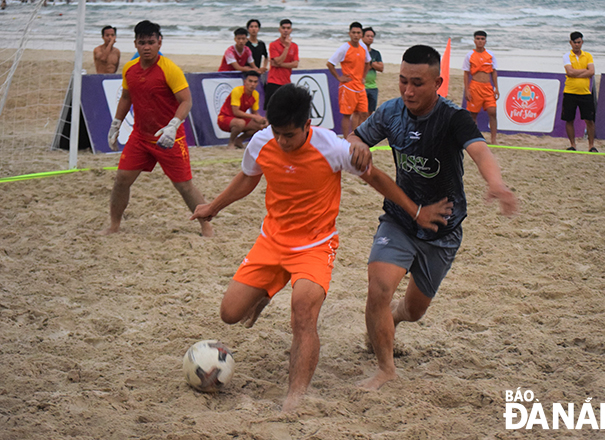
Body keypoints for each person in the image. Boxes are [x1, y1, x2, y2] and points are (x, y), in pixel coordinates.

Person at [190, 84, 452, 412]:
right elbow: (248, 177)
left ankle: (295, 395)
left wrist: (415, 211)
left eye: (289, 135)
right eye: (277, 134)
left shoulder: (332, 148)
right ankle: (268, 288)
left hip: (315, 246)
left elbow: (377, 179)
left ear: (306, 126)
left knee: (303, 313)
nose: (282, 142)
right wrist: (214, 206)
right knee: (230, 314)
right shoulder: (261, 141)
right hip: (271, 242)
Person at [347, 45, 518, 390]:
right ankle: (385, 368)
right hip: (400, 219)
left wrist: (496, 183)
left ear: (438, 82)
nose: (408, 91)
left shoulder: (453, 117)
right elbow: (355, 136)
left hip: (443, 229)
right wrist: (357, 143)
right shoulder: (391, 112)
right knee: (378, 289)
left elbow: (479, 150)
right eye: (403, 81)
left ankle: (391, 320)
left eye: (418, 83)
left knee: (413, 311)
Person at [102, 20, 213, 238]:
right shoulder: (129, 69)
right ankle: (114, 225)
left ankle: (206, 227)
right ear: (135, 43)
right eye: (142, 43)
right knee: (121, 179)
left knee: (185, 187)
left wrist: (173, 125)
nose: (146, 47)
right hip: (141, 137)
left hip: (169, 138)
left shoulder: (169, 69)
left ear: (159, 42)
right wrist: (116, 124)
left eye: (151, 42)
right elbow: (126, 97)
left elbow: (186, 101)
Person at [326, 22, 371, 138]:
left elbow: (368, 62)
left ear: (361, 34)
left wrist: (363, 77)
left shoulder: (363, 47)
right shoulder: (344, 48)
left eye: (358, 33)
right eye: (354, 33)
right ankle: (346, 139)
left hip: (360, 86)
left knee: (363, 113)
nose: (356, 35)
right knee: (347, 114)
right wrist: (339, 77)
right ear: (349, 34)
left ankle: (358, 136)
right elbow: (330, 64)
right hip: (348, 86)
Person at [562, 31, 597, 152]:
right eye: (575, 42)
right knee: (569, 119)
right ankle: (573, 144)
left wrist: (576, 73)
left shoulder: (588, 55)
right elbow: (569, 72)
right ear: (570, 43)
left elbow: (592, 71)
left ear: (582, 42)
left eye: (579, 42)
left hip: (585, 92)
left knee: (589, 120)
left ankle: (591, 145)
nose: (577, 45)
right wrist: (584, 71)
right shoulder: (567, 56)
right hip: (570, 91)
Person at [462, 30, 499, 145]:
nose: (480, 41)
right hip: (475, 86)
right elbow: (466, 73)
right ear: (474, 40)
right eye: (478, 39)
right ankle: (476, 139)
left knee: (492, 111)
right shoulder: (470, 55)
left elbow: (493, 72)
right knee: (473, 114)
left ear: (485, 41)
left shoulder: (490, 55)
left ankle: (493, 139)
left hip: (487, 87)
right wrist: (467, 90)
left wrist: (496, 88)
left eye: (482, 39)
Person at [217, 70, 268, 149]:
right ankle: (231, 143)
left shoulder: (255, 94)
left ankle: (239, 140)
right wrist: (254, 117)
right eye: (250, 81)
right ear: (245, 82)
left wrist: (262, 119)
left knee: (260, 125)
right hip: (224, 118)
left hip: (240, 119)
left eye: (255, 82)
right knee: (240, 123)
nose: (252, 84)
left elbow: (255, 113)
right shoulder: (237, 91)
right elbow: (236, 112)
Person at [265, 19, 299, 110]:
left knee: (286, 110)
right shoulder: (274, 45)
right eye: (283, 28)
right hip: (274, 81)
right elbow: (278, 60)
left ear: (291, 30)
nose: (286, 30)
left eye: (288, 28)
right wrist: (287, 47)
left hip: (286, 82)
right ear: (279, 29)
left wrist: (279, 64)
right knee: (271, 109)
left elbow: (295, 64)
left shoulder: (295, 46)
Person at [362, 27, 384, 117]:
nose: (370, 38)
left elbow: (381, 68)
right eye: (368, 36)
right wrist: (373, 64)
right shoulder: (359, 52)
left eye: (372, 36)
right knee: (361, 112)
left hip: (373, 86)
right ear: (362, 37)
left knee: (370, 112)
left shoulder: (376, 53)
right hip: (361, 86)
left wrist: (370, 63)